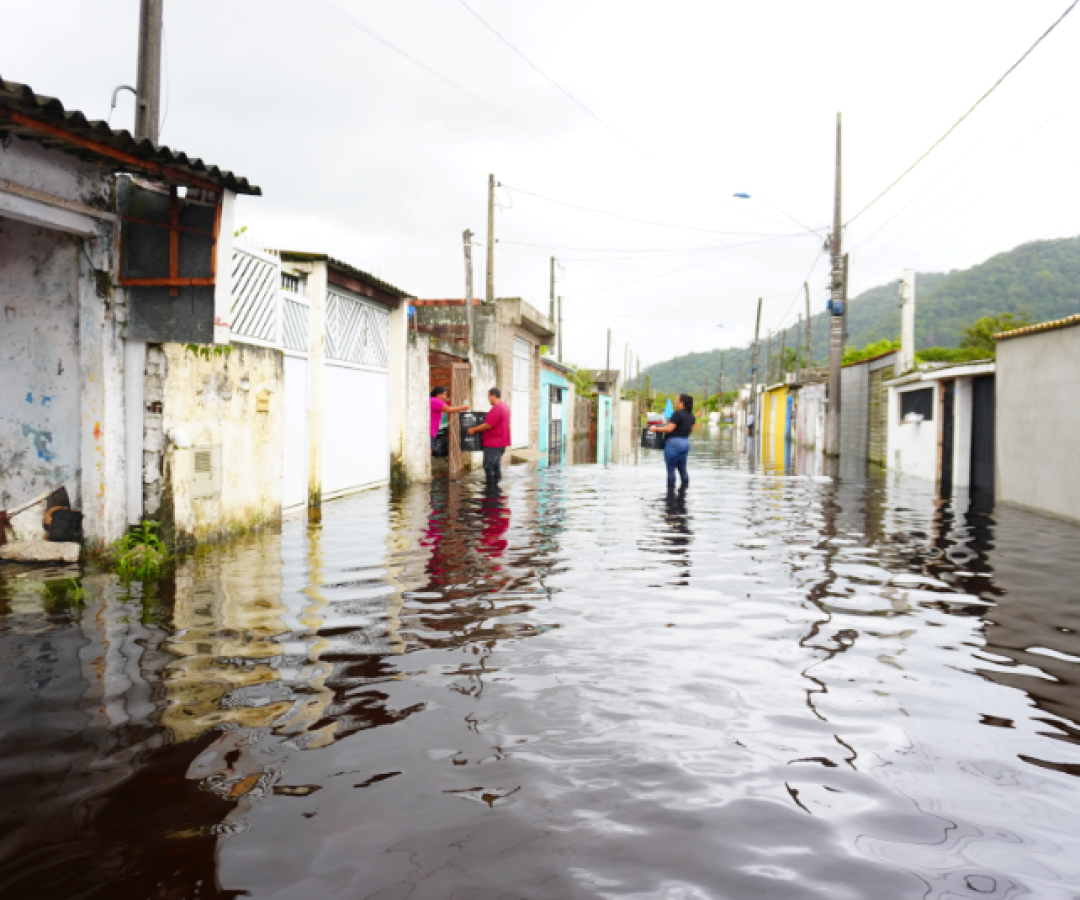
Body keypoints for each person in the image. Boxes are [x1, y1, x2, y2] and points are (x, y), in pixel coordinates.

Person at [649, 393, 696, 488]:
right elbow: (691, 430)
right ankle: (684, 493)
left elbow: (669, 429)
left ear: (681, 403)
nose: (675, 402)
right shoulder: (691, 415)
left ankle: (670, 497)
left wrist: (655, 429)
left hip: (673, 443)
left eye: (676, 400)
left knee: (671, 471)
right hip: (685, 443)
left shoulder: (677, 414)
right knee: (683, 470)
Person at [467, 388, 511, 482]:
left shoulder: (497, 407)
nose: (488, 399)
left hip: (493, 443)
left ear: (493, 396)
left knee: (489, 467)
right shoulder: (505, 406)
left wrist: (473, 430)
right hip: (501, 442)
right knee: (496, 467)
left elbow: (488, 425)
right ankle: (496, 491)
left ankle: (491, 491)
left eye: (489, 397)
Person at [430, 386, 469, 451]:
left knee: (429, 449)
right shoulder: (435, 401)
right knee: (429, 450)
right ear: (438, 394)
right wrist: (463, 407)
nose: (445, 396)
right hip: (430, 431)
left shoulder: (433, 400)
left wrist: (458, 410)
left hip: (431, 431)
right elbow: (448, 409)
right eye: (444, 394)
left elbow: (448, 409)